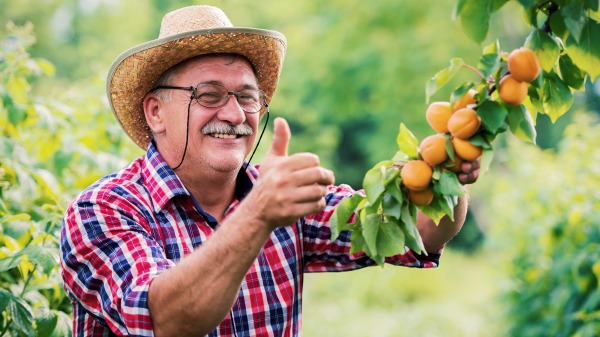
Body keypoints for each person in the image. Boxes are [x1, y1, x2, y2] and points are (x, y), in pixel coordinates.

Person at [60, 5, 480, 337]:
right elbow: (165, 322)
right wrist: (257, 214)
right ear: (155, 112)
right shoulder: (102, 210)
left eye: (247, 96)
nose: (235, 113)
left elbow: (419, 233)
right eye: (208, 95)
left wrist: (447, 174)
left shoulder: (279, 196)